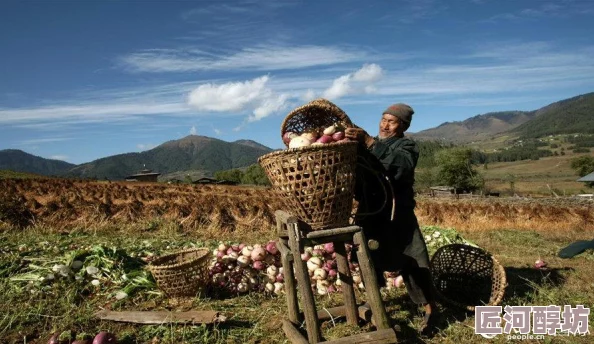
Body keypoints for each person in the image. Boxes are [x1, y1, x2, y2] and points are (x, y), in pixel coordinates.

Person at [345, 103, 438, 335]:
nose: (385, 125)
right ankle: (375, 303)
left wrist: (368, 142)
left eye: (392, 121)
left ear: (403, 125)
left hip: (399, 214)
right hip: (371, 212)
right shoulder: (366, 147)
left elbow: (401, 165)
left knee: (414, 259)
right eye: (383, 119)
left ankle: (430, 309)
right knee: (367, 257)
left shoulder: (406, 146)